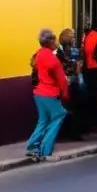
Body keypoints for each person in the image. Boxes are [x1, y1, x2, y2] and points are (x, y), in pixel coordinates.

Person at [27, 29, 69, 162]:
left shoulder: (38, 54)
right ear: (50, 41)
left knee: (43, 119)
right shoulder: (53, 59)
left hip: (38, 92)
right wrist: (65, 95)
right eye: (54, 40)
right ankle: (46, 148)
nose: (55, 42)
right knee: (60, 113)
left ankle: (32, 147)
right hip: (49, 92)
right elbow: (62, 80)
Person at [81, 16, 97, 131]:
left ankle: (90, 123)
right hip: (96, 70)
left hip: (87, 70)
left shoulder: (84, 37)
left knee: (89, 97)